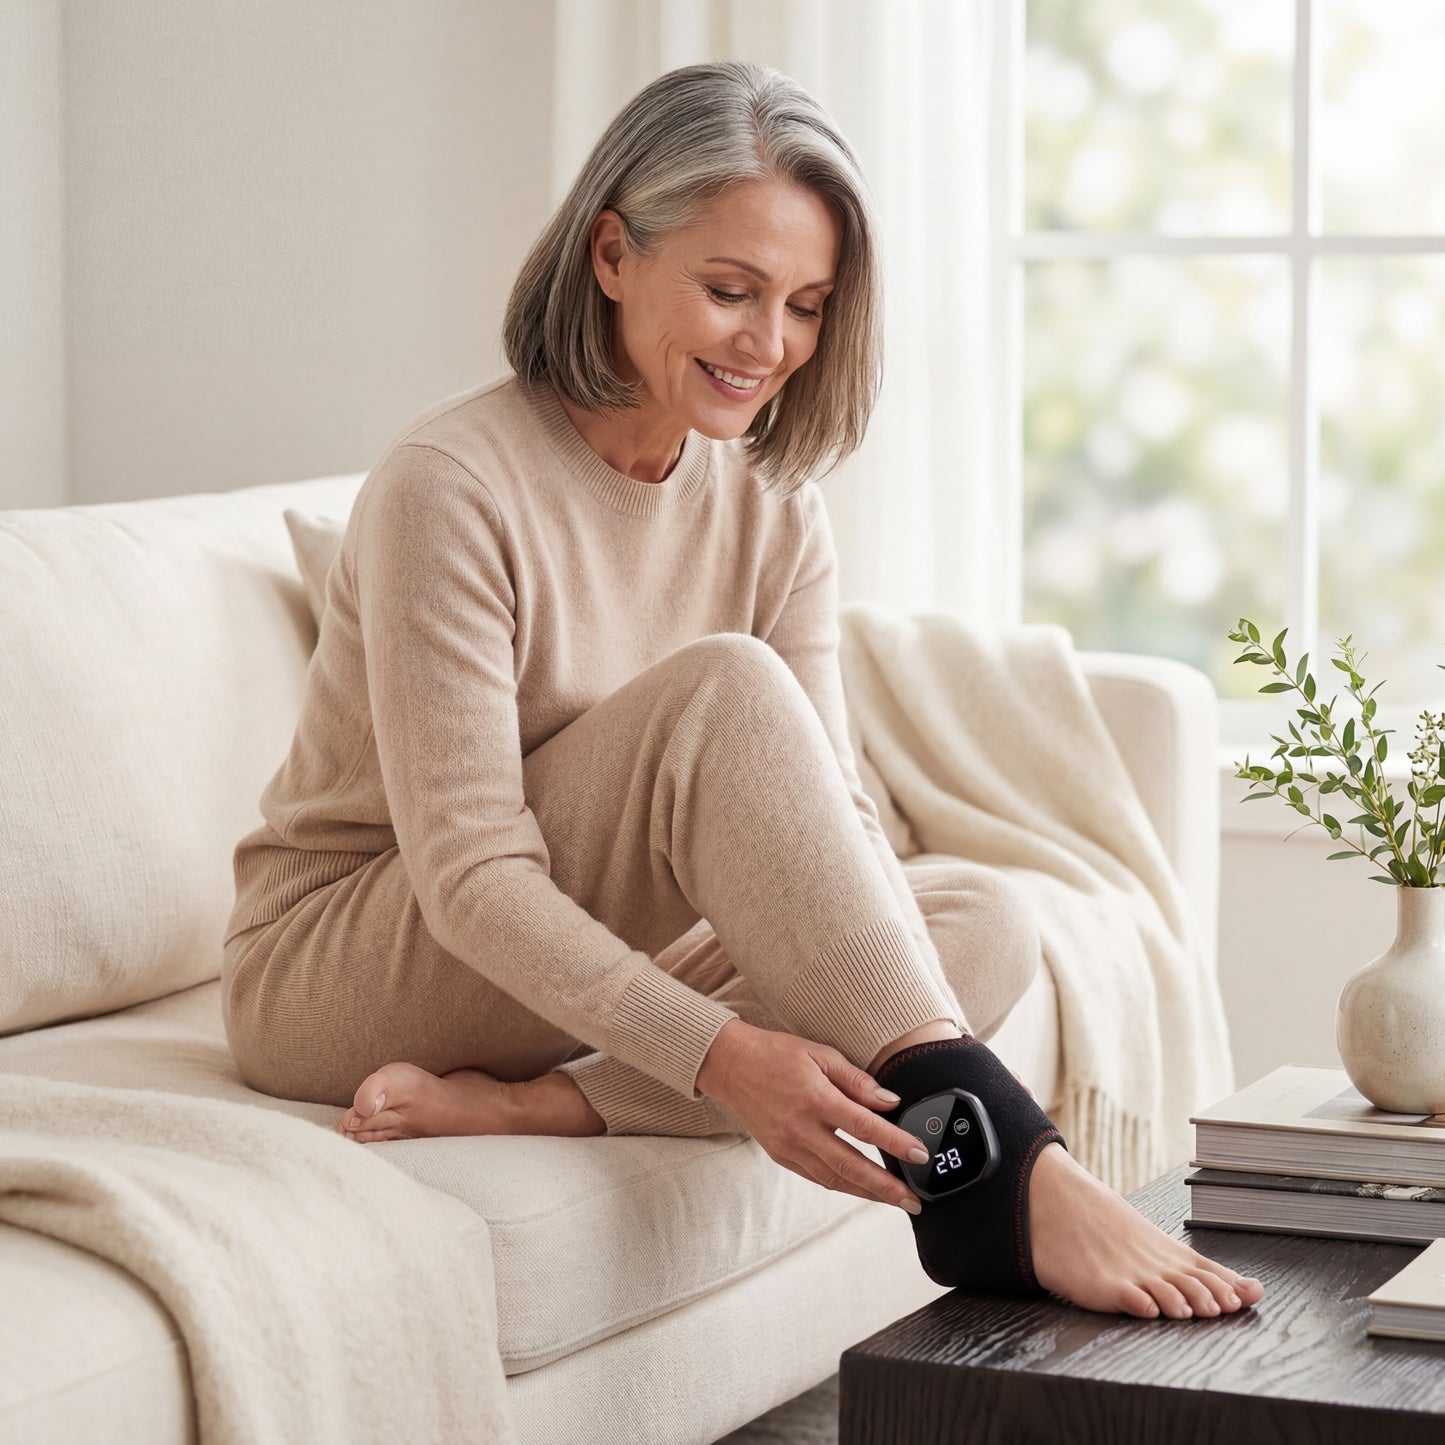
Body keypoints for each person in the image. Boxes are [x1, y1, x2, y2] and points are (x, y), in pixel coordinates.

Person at [220, 59, 1263, 1321]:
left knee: (979, 915)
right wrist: (719, 1053)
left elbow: (836, 814)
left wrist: (745, 1029)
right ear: (612, 254)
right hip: (353, 952)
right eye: (729, 291)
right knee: (723, 689)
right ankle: (1001, 1169)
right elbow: (472, 877)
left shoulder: (774, 506)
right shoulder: (452, 482)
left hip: (577, 946)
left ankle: (558, 1099)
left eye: (806, 306)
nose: (769, 345)